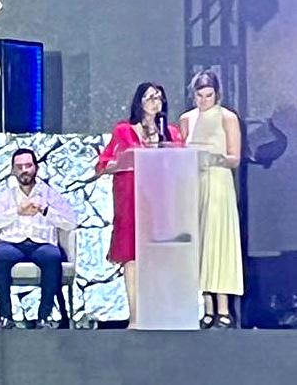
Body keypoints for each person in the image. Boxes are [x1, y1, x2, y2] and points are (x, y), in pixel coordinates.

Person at [96, 82, 182, 327]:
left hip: (161, 200)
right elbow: (103, 164)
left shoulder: (171, 133)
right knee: (132, 256)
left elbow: (180, 163)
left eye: (159, 98)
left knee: (159, 256)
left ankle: (160, 314)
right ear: (139, 102)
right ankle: (135, 316)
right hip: (131, 198)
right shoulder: (124, 130)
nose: (155, 102)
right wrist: (122, 163)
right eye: (150, 97)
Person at [0, 148, 77, 329]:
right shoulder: (7, 195)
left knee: (53, 256)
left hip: (41, 244)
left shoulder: (49, 194)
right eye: (19, 167)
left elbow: (70, 222)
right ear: (13, 170)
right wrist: (16, 211)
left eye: (28, 166)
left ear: (36, 168)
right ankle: (6, 316)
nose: (24, 170)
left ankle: (44, 317)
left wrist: (46, 210)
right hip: (13, 243)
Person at [180, 70, 243, 328]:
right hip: (195, 184)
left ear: (217, 94)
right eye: (200, 96)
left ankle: (224, 308)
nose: (204, 100)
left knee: (219, 241)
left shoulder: (228, 118)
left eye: (209, 95)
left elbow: (235, 158)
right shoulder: (187, 119)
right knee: (200, 242)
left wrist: (214, 158)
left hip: (218, 183)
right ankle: (207, 307)